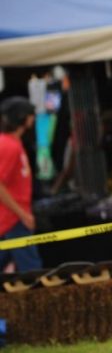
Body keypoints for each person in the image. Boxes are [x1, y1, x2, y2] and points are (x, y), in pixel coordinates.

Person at [0, 96, 43, 273]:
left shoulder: (12, 144)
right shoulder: (9, 146)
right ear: (22, 117)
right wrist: (23, 214)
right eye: (31, 114)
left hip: (11, 219)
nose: (33, 118)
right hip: (13, 219)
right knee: (32, 272)